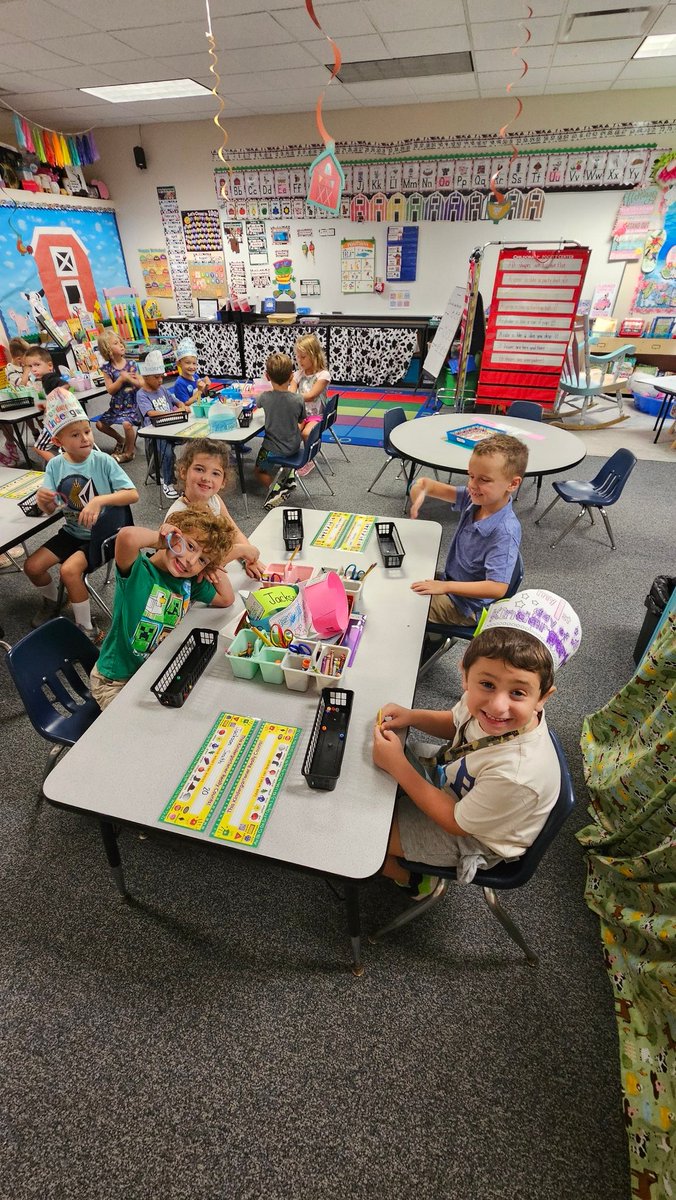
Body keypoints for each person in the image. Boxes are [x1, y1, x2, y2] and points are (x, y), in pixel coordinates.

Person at [372, 589, 581, 897]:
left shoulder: (519, 774)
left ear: (543, 698)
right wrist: (411, 716)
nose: (497, 706)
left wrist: (399, 766)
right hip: (456, 777)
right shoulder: (481, 702)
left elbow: (455, 822)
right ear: (465, 676)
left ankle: (415, 881)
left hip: (474, 834)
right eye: (487, 684)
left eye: (518, 693)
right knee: (372, 773)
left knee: (365, 836)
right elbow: (453, 721)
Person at [89, 507, 237, 710]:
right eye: (191, 546)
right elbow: (127, 537)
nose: (190, 562)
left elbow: (226, 598)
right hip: (115, 681)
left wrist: (211, 567)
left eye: (202, 560)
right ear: (173, 535)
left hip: (152, 672)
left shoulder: (188, 582)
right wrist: (159, 539)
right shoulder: (139, 571)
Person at [24, 394, 139, 641]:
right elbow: (55, 505)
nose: (85, 438)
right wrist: (45, 503)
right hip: (73, 532)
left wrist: (99, 500)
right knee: (32, 567)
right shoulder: (55, 466)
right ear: (58, 441)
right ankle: (54, 599)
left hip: (103, 537)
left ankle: (87, 629)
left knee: (69, 571)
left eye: (87, 431)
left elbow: (132, 494)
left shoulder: (104, 461)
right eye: (75, 435)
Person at [410, 433, 527, 630]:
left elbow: (497, 587)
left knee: (405, 605)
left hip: (466, 607)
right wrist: (419, 492)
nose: (472, 485)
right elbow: (425, 485)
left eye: (484, 479)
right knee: (403, 579)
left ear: (513, 484)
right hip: (453, 583)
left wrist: (445, 587)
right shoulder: (474, 499)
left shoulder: (505, 531)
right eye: (471, 475)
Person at [167, 439, 263, 578]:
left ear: (223, 482)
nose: (206, 478)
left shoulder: (214, 500)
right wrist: (241, 551)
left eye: (215, 473)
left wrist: (250, 560)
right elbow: (201, 560)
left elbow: (233, 532)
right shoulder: (178, 514)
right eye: (199, 469)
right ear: (183, 472)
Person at [254, 352, 304, 510]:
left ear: (267, 377)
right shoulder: (298, 399)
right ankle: (288, 476)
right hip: (294, 446)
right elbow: (302, 420)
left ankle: (275, 490)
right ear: (291, 376)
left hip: (272, 448)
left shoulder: (264, 397)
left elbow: (257, 405)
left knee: (258, 470)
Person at [135, 348, 186, 501]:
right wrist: (174, 413)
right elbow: (150, 413)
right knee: (167, 451)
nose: (160, 381)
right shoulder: (142, 394)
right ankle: (168, 483)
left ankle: (187, 477)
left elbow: (175, 400)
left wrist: (181, 405)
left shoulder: (162, 389)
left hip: (172, 426)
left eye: (161, 377)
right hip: (155, 433)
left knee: (194, 441)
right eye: (156, 377)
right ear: (146, 376)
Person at [96, 330, 141, 463]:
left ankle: (129, 452)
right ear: (108, 349)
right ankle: (121, 440)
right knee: (99, 425)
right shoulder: (107, 368)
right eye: (116, 343)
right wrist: (121, 379)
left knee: (127, 425)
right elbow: (110, 390)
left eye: (121, 342)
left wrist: (131, 379)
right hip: (117, 407)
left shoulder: (131, 364)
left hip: (133, 406)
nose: (121, 345)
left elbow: (141, 384)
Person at [289, 334, 331, 475]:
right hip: (301, 414)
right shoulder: (298, 374)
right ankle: (294, 456)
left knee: (307, 433)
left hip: (316, 415)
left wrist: (292, 397)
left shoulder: (323, 375)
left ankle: (308, 460)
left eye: (303, 357)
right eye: (298, 356)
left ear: (314, 356)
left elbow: (311, 395)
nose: (299, 360)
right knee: (292, 431)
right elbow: (291, 392)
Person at [23, 345, 68, 464]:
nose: (33, 369)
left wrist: (51, 396)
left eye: (37, 365)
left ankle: (61, 465)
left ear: (49, 365)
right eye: (30, 366)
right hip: (56, 420)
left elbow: (66, 385)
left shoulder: (49, 377)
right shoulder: (42, 380)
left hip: (56, 422)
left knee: (38, 447)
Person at [0, 336, 29, 467]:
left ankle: (12, 443)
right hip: (11, 399)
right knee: (5, 420)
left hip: (24, 400)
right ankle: (10, 445)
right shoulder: (11, 370)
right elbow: (20, 384)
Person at [171, 336, 211, 406]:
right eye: (187, 363)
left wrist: (206, 385)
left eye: (194, 363)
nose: (192, 367)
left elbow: (203, 394)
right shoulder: (179, 384)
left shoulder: (195, 376)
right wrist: (199, 391)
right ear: (179, 363)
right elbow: (185, 404)